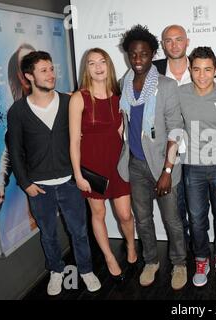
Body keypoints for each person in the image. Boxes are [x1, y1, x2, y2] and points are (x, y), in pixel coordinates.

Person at [6, 51, 101, 295]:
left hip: (70, 181)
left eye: (51, 69)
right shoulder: (17, 112)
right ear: (29, 76)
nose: (51, 74)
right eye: (44, 70)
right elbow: (15, 151)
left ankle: (86, 270)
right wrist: (25, 183)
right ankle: (56, 271)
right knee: (48, 234)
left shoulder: (70, 102)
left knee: (79, 231)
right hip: (39, 187)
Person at [117, 25, 187, 290]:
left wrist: (167, 171)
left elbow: (176, 129)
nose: (137, 60)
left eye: (143, 54)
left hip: (162, 166)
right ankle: (150, 261)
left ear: (153, 54)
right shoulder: (125, 83)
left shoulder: (166, 86)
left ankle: (179, 264)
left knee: (172, 220)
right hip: (135, 164)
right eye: (133, 54)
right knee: (143, 219)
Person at [69, 48, 137, 282]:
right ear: (86, 68)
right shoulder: (79, 98)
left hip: (118, 165)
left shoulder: (120, 95)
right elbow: (74, 142)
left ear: (109, 66)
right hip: (91, 166)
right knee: (98, 213)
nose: (98, 67)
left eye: (102, 62)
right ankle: (108, 256)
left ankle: (130, 245)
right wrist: (78, 174)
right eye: (91, 63)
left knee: (125, 215)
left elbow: (124, 131)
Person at [178, 46, 216, 287]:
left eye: (208, 70)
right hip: (192, 167)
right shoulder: (179, 94)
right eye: (197, 69)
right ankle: (201, 258)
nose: (202, 75)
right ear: (190, 70)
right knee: (197, 218)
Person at [153, 24, 191, 246]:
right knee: (176, 207)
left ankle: (200, 251)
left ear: (188, 41)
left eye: (179, 39)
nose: (174, 44)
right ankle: (183, 250)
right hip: (167, 151)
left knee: (197, 207)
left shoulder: (200, 67)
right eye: (168, 40)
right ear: (163, 45)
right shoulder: (152, 69)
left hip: (198, 149)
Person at [0, 43, 36, 207]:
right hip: (36, 185)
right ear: (19, 76)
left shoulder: (59, 100)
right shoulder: (17, 112)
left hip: (65, 183)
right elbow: (10, 151)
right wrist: (0, 182)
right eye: (25, 65)